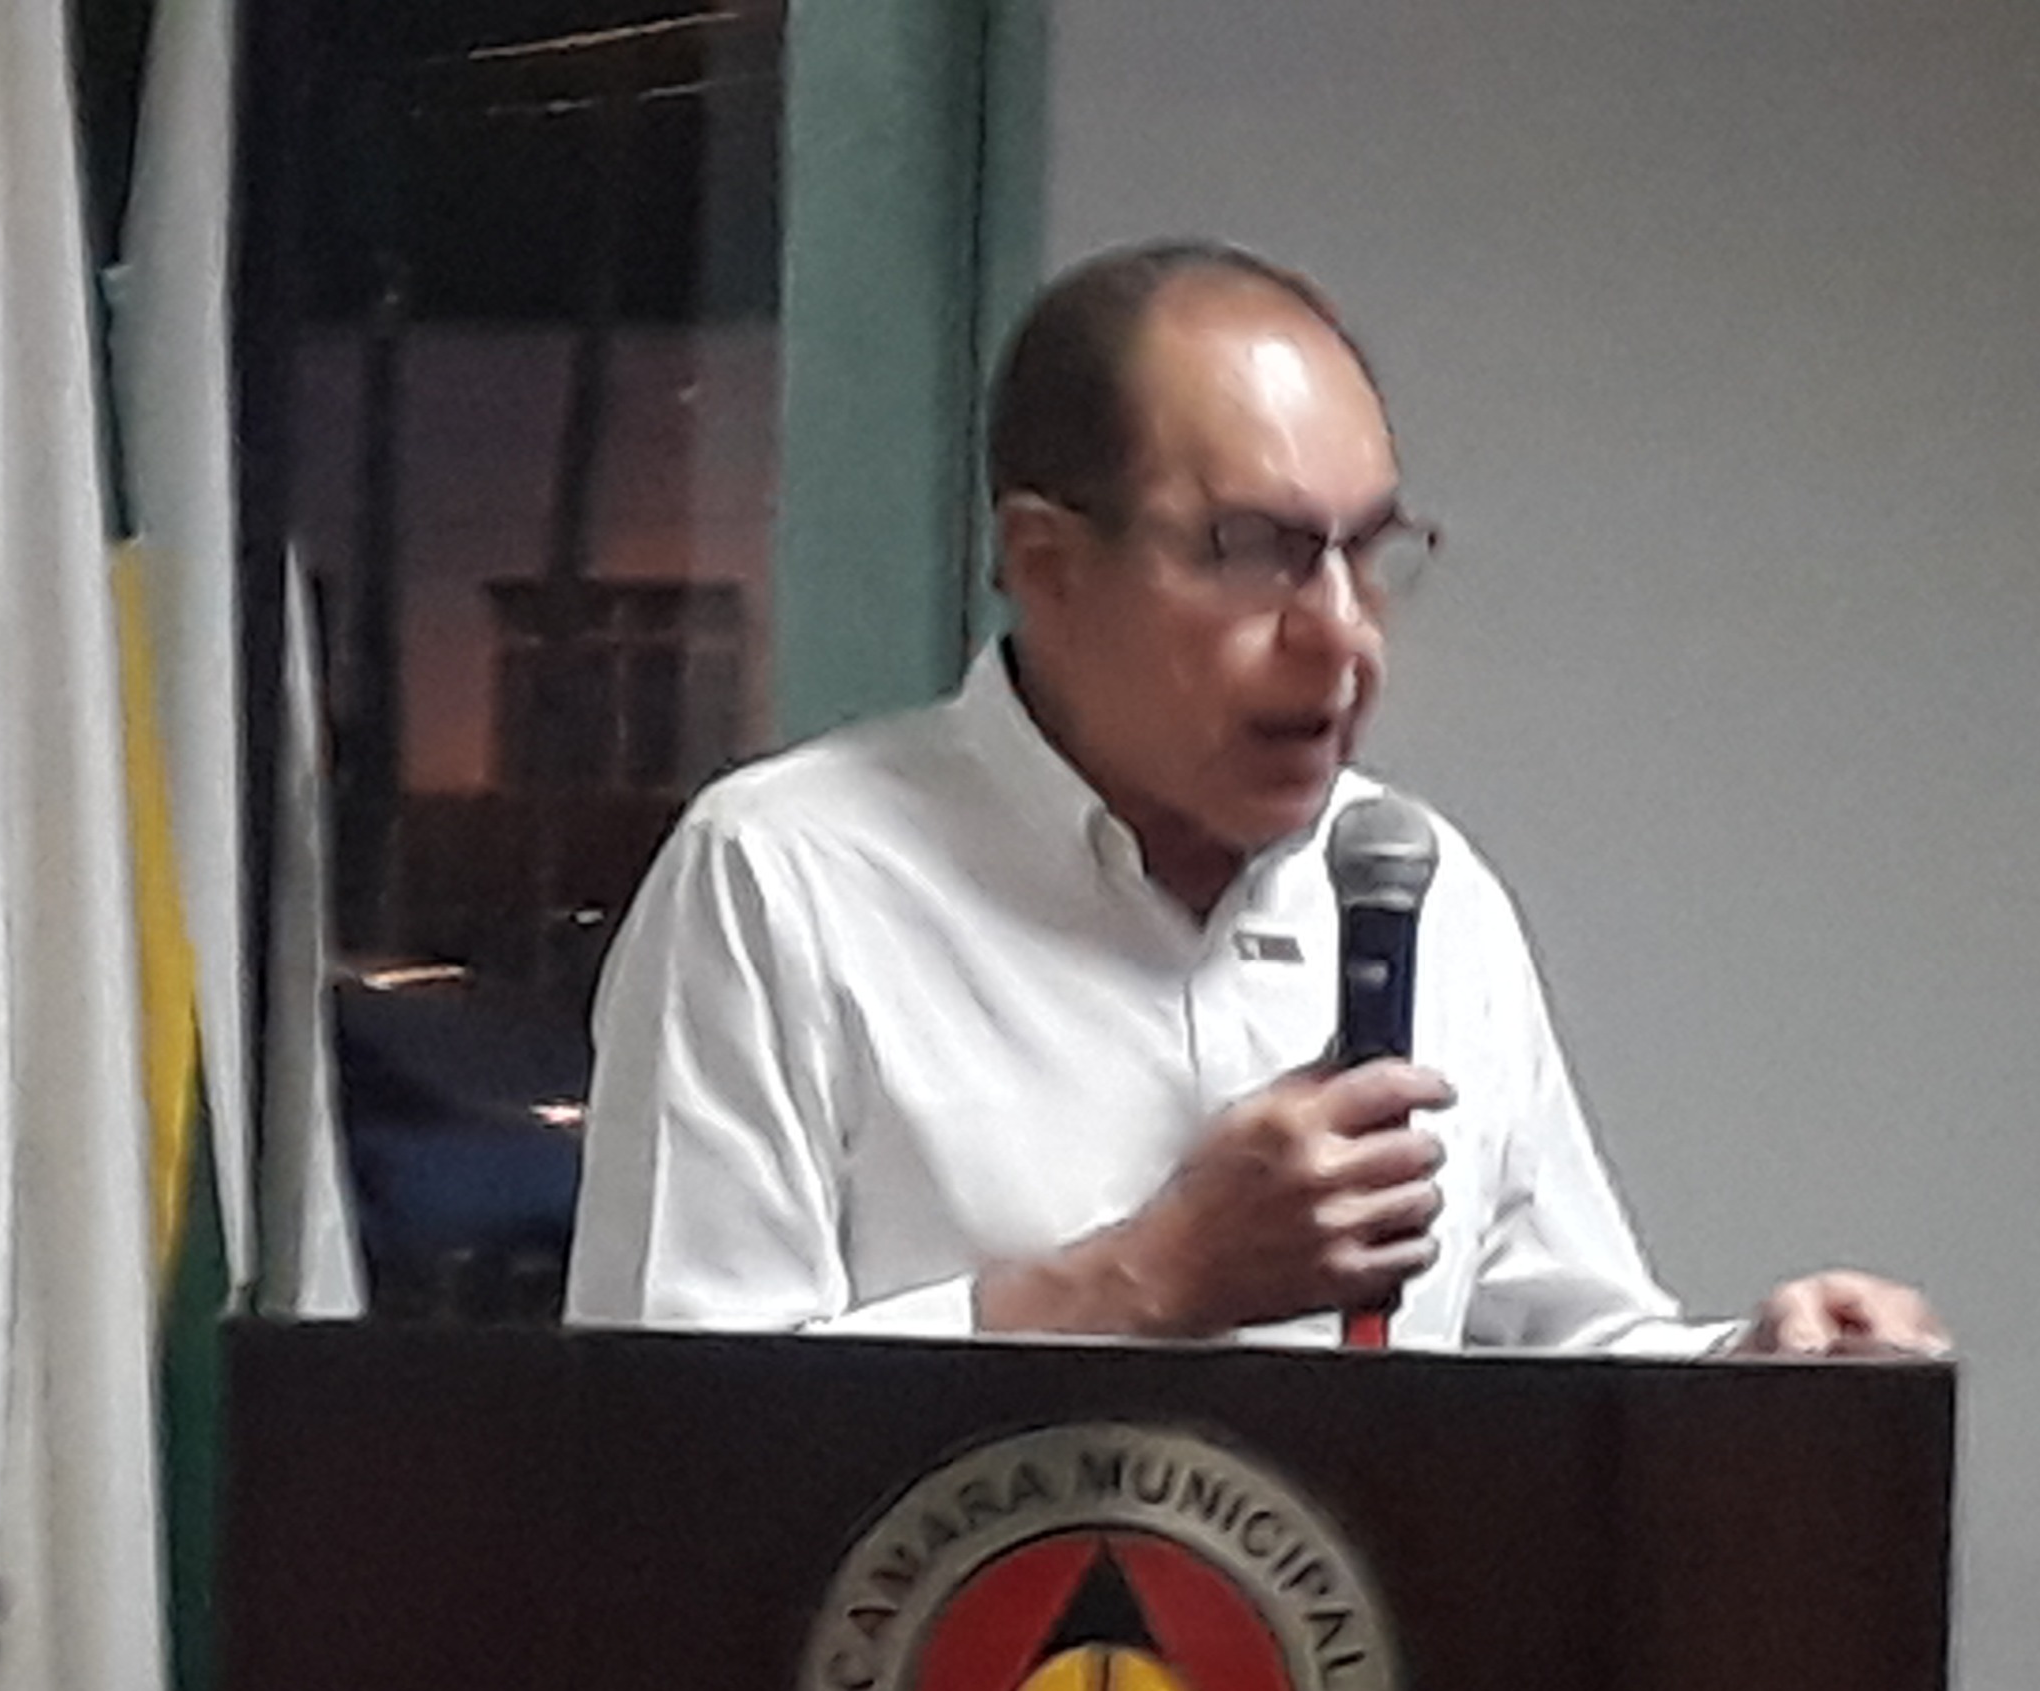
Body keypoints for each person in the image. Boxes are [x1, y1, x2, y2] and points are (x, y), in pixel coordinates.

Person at [565, 237, 1941, 1356]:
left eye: (1369, 551)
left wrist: (1758, 1369)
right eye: (1252, 552)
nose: (1341, 633)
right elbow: (667, 1444)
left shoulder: (1425, 892)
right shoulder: (783, 881)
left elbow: (1554, 1349)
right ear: (1046, 564)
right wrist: (1146, 1278)